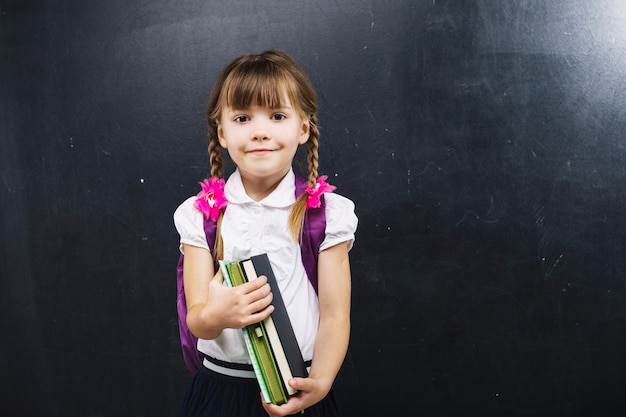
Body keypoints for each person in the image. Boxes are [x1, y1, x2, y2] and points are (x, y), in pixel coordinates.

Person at [173, 50, 358, 417]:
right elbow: (197, 319)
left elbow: (335, 314)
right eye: (243, 117)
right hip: (219, 392)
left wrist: (319, 383)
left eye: (277, 116)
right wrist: (218, 315)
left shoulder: (327, 214)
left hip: (297, 390)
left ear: (303, 128)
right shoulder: (200, 215)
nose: (260, 130)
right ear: (222, 133)